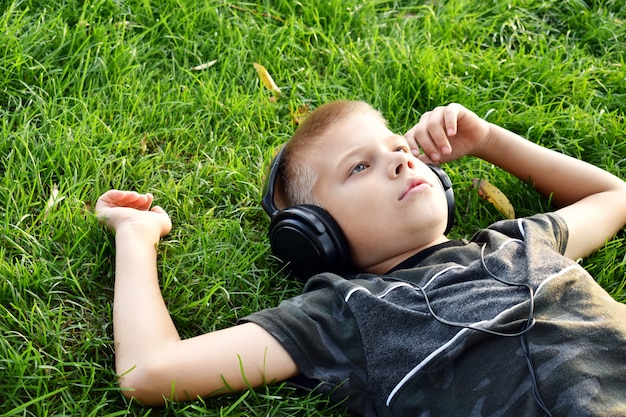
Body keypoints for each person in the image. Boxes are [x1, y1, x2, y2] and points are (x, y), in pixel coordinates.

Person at [96, 101, 626, 416]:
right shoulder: (348, 312)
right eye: (359, 168)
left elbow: (613, 197)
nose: (398, 161)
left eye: (398, 147)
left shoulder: (515, 241)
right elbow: (151, 372)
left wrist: (488, 140)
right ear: (316, 235)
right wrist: (136, 235)